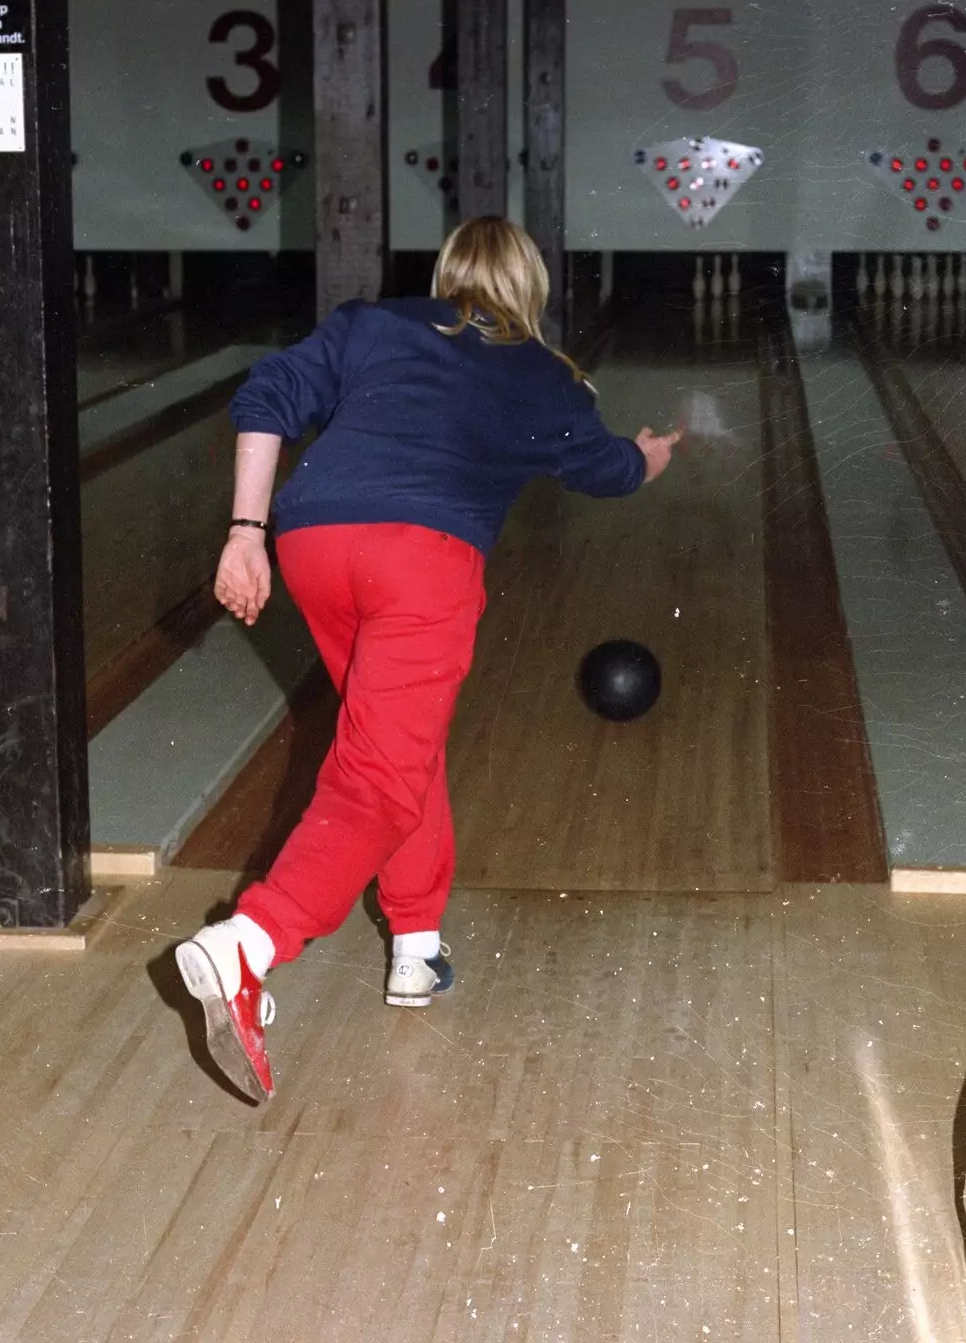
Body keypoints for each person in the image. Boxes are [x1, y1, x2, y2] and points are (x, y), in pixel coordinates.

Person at [175, 216, 681, 1102]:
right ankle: (247, 944)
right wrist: (652, 453)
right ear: (532, 287)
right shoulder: (542, 373)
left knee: (396, 750)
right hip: (424, 563)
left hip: (315, 545)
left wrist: (245, 534)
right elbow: (609, 471)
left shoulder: (375, 323)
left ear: (447, 273)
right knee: (378, 774)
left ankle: (416, 944)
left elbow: (267, 396)